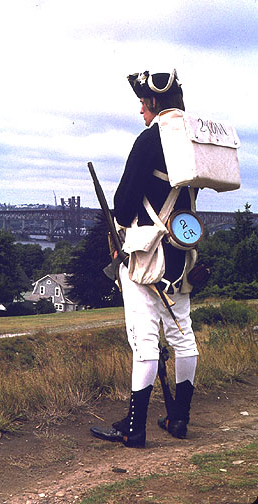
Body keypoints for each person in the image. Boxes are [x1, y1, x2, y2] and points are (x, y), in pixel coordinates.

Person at [90, 69, 199, 448]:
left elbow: (122, 208)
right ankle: (179, 418)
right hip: (182, 252)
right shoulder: (194, 139)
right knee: (183, 336)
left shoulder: (149, 141)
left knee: (145, 342)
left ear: (153, 102)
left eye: (142, 103)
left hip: (144, 255)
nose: (140, 111)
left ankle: (134, 429)